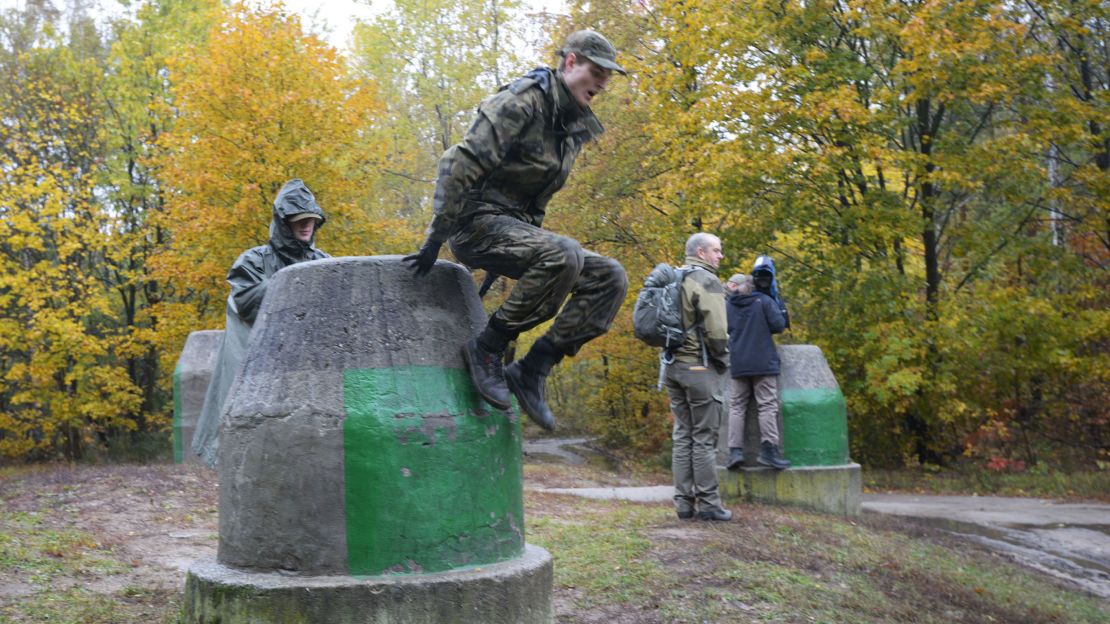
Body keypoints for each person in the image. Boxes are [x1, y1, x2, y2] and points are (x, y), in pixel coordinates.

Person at [403, 30, 629, 431]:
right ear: (571, 62)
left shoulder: (570, 126)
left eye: (607, 76)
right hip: (472, 223)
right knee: (565, 252)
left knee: (609, 277)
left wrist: (522, 248)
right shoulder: (523, 101)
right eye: (596, 71)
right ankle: (487, 348)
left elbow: (535, 198)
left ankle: (533, 369)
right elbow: (458, 165)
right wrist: (436, 238)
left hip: (509, 228)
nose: (602, 83)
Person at [191, 179, 330, 467]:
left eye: (312, 220)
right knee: (259, 455)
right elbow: (247, 303)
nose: (306, 225)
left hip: (309, 371)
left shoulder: (324, 262)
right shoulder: (254, 261)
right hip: (263, 372)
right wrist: (297, 283)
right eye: (299, 219)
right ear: (284, 222)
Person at [665, 233, 732, 522]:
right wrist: (723, 360)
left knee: (683, 435)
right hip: (699, 368)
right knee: (704, 438)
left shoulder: (672, 277)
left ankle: (682, 503)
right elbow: (717, 332)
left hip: (671, 367)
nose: (720, 256)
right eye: (717, 250)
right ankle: (708, 504)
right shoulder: (705, 280)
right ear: (701, 252)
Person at [724, 273, 790, 471]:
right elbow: (779, 325)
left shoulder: (727, 306)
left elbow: (723, 329)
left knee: (737, 406)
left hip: (738, 362)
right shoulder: (764, 301)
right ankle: (769, 450)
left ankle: (734, 451)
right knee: (767, 405)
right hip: (763, 361)